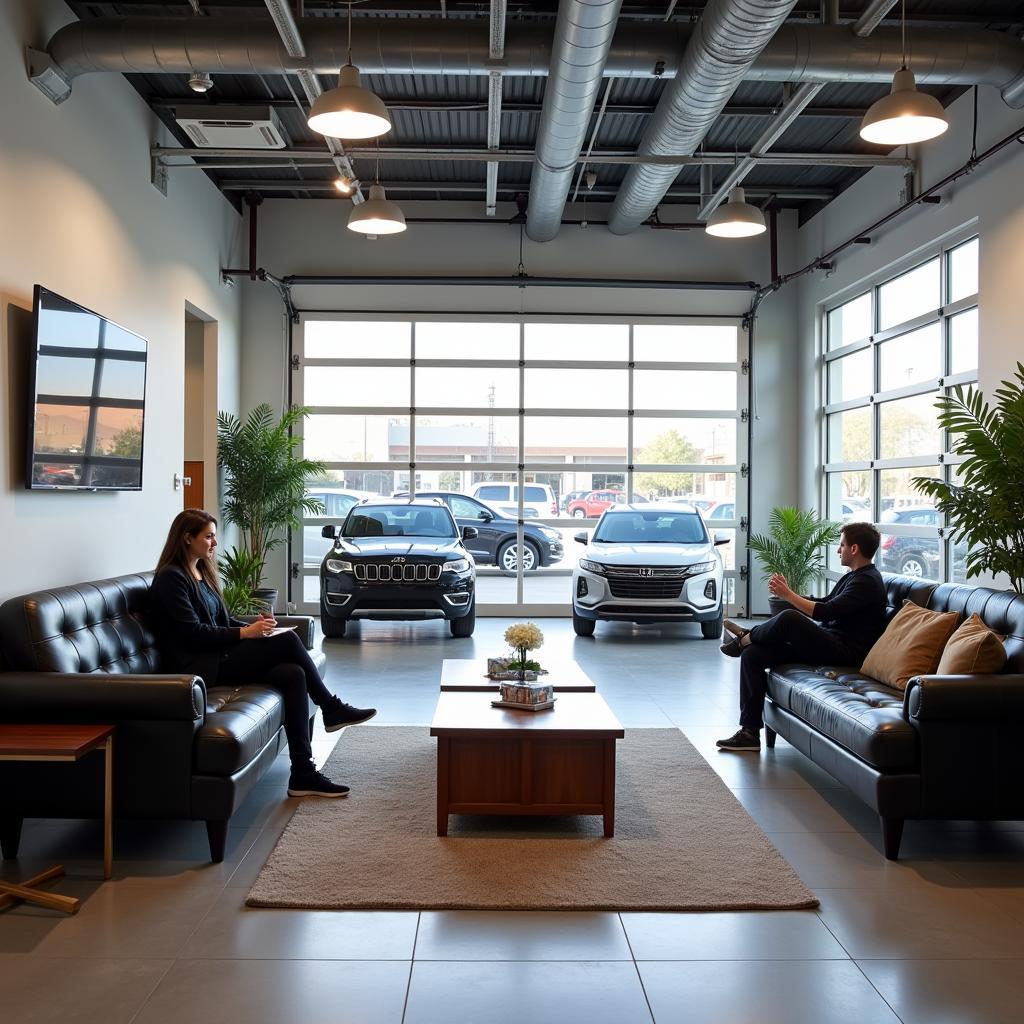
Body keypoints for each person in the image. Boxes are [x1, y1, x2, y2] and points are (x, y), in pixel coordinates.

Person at [150, 508, 376, 797]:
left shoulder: (201, 572)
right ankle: (331, 707)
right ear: (186, 538)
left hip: (218, 655)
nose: (214, 544)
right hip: (199, 667)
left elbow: (222, 621)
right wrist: (245, 634)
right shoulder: (172, 579)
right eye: (208, 537)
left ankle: (302, 774)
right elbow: (192, 634)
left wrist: (250, 625)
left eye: (213, 537)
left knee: (293, 674)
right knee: (288, 642)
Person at [716, 521, 886, 753]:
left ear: (854, 549)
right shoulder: (855, 576)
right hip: (831, 641)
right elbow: (826, 602)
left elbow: (825, 612)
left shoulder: (867, 582)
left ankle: (747, 636)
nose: (839, 550)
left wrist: (788, 595)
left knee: (789, 618)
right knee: (753, 655)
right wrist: (792, 594)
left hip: (846, 652)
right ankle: (749, 733)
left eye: (842, 545)